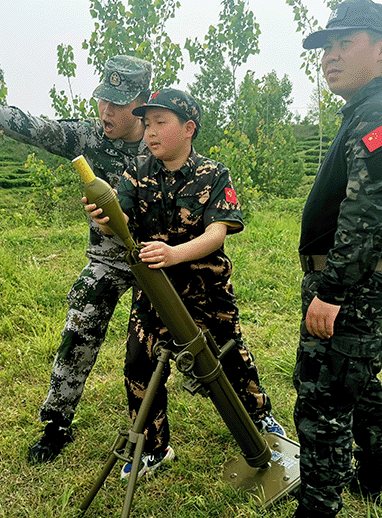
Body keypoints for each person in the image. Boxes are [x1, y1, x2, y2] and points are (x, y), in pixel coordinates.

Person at [0, 55, 152, 464]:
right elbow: (28, 124)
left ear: (143, 102)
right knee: (80, 319)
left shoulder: (162, 139)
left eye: (118, 103)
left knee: (183, 332)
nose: (106, 111)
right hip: (108, 260)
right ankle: (56, 423)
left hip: (155, 258)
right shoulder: (87, 137)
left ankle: (252, 410)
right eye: (103, 100)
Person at [84, 88, 284, 480]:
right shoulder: (136, 173)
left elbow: (218, 233)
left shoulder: (213, 173)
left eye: (161, 123)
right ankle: (154, 449)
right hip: (154, 290)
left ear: (189, 128)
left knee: (229, 357)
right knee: (138, 365)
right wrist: (102, 216)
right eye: (147, 124)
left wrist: (174, 253)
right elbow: (119, 218)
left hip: (205, 290)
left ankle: (259, 418)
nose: (150, 132)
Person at [292, 1, 382, 516]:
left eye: (345, 44)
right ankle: (376, 482)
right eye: (326, 47)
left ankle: (319, 505)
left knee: (323, 398)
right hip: (355, 282)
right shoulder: (367, 112)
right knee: (357, 382)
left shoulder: (380, 117)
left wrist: (331, 292)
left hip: (350, 285)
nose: (329, 56)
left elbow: (365, 217)